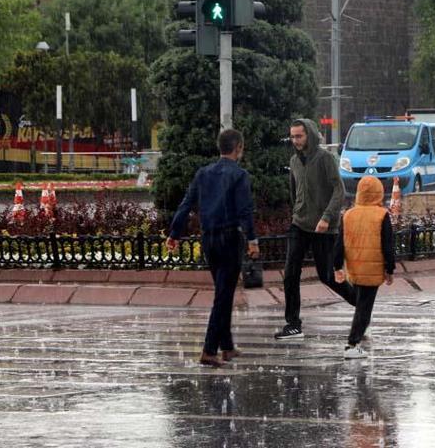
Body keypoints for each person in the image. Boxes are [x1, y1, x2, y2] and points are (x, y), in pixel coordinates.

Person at [166, 129, 259, 368]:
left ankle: (226, 346)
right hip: (230, 239)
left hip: (208, 240)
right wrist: (252, 240)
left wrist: (174, 234)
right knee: (223, 295)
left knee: (223, 290)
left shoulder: (203, 173)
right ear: (238, 147)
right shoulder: (240, 175)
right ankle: (209, 350)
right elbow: (245, 210)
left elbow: (186, 204)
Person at [275, 118, 356, 339]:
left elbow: (339, 191)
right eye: (292, 136)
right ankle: (293, 324)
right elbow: (294, 191)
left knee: (327, 276)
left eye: (299, 136)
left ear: (309, 135)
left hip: (324, 228)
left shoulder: (325, 158)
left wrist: (327, 217)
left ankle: (361, 305)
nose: (295, 140)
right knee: (290, 273)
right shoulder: (293, 161)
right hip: (299, 224)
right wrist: (297, 211)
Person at [333, 175, 395, 359]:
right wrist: (389, 269)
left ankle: (359, 332)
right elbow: (388, 245)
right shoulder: (381, 215)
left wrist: (338, 266)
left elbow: (339, 244)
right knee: (364, 307)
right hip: (373, 268)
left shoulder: (348, 215)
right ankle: (352, 343)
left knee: (362, 304)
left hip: (354, 266)